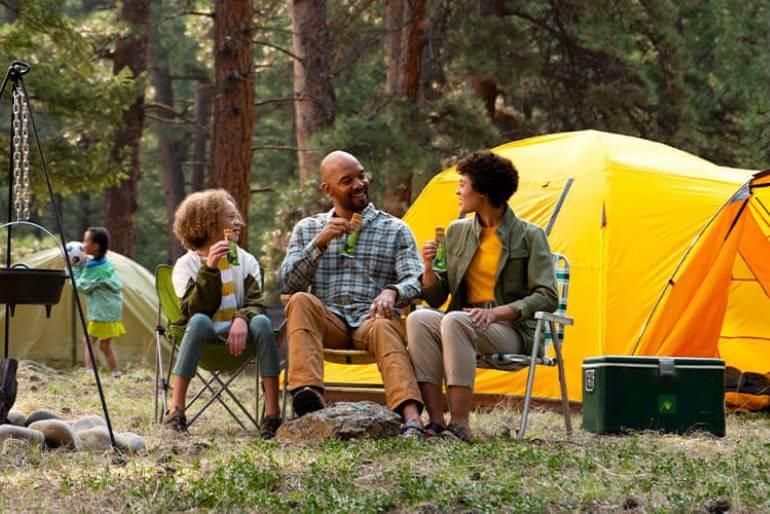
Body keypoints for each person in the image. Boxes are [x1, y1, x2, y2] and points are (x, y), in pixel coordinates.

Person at [406, 151, 558, 442]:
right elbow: (437, 298)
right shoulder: (458, 231)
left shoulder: (530, 236)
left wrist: (496, 313)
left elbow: (547, 295)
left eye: (463, 184)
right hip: (465, 321)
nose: (458, 190)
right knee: (420, 318)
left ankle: (460, 424)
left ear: (484, 192)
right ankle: (436, 422)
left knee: (454, 321)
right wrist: (427, 268)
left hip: (511, 328)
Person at [279, 150, 425, 436]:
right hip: (328, 319)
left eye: (361, 175)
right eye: (347, 180)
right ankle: (308, 398)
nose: (359, 183)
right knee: (299, 300)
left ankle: (411, 419)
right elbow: (286, 285)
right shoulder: (308, 228)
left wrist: (393, 292)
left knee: (385, 325)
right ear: (328, 189)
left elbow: (415, 280)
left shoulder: (395, 229)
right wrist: (318, 244)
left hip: (372, 318)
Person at [162, 189, 282, 439]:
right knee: (198, 320)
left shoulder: (246, 261)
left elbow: (256, 302)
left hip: (243, 338)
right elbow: (195, 309)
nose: (239, 222)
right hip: (205, 339)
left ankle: (272, 416)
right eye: (231, 217)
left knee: (260, 320)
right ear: (208, 222)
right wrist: (210, 269)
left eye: (237, 216)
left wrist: (241, 318)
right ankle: (176, 411)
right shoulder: (187, 265)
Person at [74, 227, 125, 378]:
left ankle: (91, 373)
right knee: (104, 345)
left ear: (95, 246)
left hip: (102, 313)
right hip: (112, 311)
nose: (83, 245)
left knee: (88, 341)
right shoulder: (104, 263)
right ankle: (116, 374)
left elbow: (82, 285)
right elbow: (91, 277)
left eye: (86, 241)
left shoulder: (93, 267)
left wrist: (74, 271)